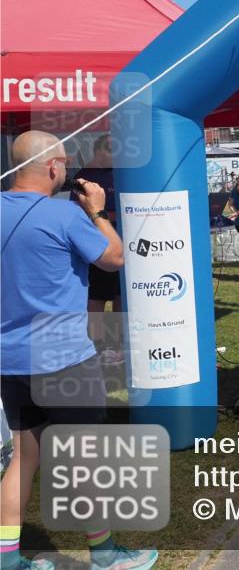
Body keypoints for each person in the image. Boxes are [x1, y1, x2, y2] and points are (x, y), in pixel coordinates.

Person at [1, 131, 157, 570]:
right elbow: (115, 257)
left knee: (23, 457)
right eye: (65, 164)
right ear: (53, 168)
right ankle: (106, 555)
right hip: (65, 358)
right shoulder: (64, 215)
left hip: (11, 359)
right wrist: (99, 211)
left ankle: (7, 557)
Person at [69, 134, 123, 366]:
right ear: (101, 150)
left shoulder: (120, 172)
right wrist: (111, 215)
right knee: (97, 298)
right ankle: (98, 344)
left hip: (124, 245)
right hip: (97, 246)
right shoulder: (85, 178)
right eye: (113, 150)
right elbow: (79, 212)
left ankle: (121, 341)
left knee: (122, 295)